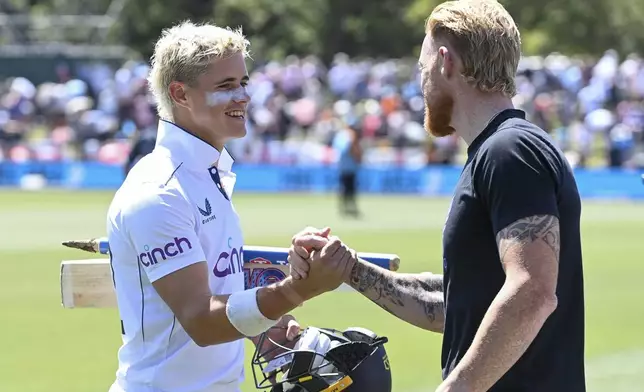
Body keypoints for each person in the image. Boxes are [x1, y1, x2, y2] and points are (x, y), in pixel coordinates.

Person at [288, 1, 585, 391]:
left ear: (445, 62)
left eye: (421, 67)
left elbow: (532, 291)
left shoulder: (508, 150)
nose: (420, 82)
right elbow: (455, 304)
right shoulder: (497, 150)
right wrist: (351, 268)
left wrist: (456, 388)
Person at [106, 21, 351, 392]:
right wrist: (297, 290)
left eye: (243, 83)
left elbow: (219, 290)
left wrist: (264, 324)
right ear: (181, 94)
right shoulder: (159, 191)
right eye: (226, 86)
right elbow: (201, 321)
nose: (243, 97)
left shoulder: (206, 175)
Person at [333, 127, 362, 217]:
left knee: (352, 189)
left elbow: (358, 154)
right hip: (344, 167)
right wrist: (352, 142)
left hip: (352, 167)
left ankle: (351, 207)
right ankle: (344, 207)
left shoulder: (353, 137)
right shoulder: (342, 136)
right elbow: (344, 150)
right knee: (344, 188)